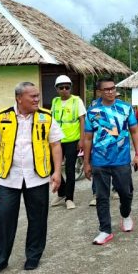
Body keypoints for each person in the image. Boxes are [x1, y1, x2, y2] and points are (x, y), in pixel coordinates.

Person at [0, 82, 63, 274]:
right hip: (8, 178)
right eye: (33, 96)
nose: (37, 99)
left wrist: (57, 172)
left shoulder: (46, 117)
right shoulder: (2, 117)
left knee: (37, 217)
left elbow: (55, 145)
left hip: (37, 176)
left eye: (38, 96)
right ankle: (0, 259)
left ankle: (33, 256)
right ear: (19, 98)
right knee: (3, 217)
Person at [83, 77, 138, 245]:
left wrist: (137, 155)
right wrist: (87, 163)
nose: (111, 92)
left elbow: (135, 132)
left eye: (113, 88)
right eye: (106, 89)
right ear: (99, 92)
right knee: (102, 196)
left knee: (126, 192)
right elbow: (87, 138)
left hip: (121, 160)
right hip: (100, 161)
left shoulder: (125, 108)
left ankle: (126, 214)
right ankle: (105, 229)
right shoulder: (93, 112)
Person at [50, 75, 86, 210]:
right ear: (57, 89)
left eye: (67, 87)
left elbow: (82, 120)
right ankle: (61, 192)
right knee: (53, 167)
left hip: (72, 139)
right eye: (61, 87)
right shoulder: (55, 102)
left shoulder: (77, 101)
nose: (64, 90)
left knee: (70, 169)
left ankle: (69, 198)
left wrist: (81, 139)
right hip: (56, 141)